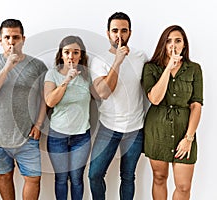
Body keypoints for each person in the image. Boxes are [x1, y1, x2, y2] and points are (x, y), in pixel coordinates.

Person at [0, 19, 47, 200]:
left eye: (15, 37)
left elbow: (45, 98)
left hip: (27, 136)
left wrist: (39, 124)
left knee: (33, 178)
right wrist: (7, 67)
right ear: (0, 40)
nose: (11, 41)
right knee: (5, 176)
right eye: (7, 37)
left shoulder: (37, 66)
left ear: (23, 39)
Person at [88, 12, 148, 200]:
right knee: (95, 174)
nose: (119, 35)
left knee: (128, 177)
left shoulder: (141, 57)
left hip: (135, 128)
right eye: (115, 31)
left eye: (123, 30)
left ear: (130, 32)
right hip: (109, 128)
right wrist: (117, 62)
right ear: (108, 33)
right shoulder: (99, 61)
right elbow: (104, 92)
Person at [142, 25, 203, 200]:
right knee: (160, 178)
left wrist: (189, 138)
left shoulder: (194, 69)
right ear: (163, 44)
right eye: (168, 41)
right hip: (157, 130)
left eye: (178, 40)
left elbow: (196, 105)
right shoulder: (151, 68)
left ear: (184, 44)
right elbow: (154, 99)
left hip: (184, 131)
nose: (173, 45)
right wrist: (168, 68)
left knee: (183, 187)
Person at [44, 35, 93, 200]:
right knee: (61, 179)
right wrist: (67, 80)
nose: (71, 56)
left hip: (81, 136)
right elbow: (50, 101)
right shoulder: (52, 75)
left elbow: (101, 95)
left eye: (75, 52)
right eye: (67, 52)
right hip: (57, 136)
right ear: (61, 55)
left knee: (77, 179)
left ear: (81, 55)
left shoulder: (87, 76)